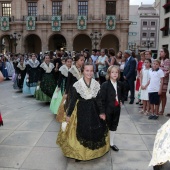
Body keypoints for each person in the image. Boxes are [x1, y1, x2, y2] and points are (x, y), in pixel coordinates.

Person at [57, 63, 109, 161]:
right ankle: (80, 153)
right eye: (87, 70)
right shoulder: (77, 85)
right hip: (82, 110)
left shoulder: (96, 84)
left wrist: (102, 112)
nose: (89, 73)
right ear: (82, 71)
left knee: (94, 129)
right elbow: (72, 101)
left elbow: (99, 100)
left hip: (94, 110)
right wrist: (68, 114)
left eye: (91, 71)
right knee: (82, 129)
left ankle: (92, 152)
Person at [101, 65, 124, 152]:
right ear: (109, 74)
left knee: (114, 125)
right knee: (106, 125)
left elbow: (122, 93)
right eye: (113, 72)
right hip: (108, 109)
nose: (115, 74)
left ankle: (111, 143)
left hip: (117, 108)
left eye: (116, 72)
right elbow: (102, 99)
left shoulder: (120, 84)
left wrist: (121, 100)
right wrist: (102, 112)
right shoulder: (105, 85)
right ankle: (104, 142)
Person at [159, 48, 170, 115]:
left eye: (162, 51)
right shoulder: (160, 60)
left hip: (164, 80)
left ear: (165, 53)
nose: (160, 53)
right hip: (159, 80)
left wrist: (161, 76)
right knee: (159, 94)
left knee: (163, 94)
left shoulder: (167, 60)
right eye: (160, 51)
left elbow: (166, 71)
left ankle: (162, 109)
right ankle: (159, 108)